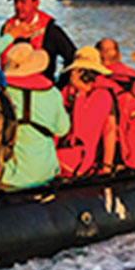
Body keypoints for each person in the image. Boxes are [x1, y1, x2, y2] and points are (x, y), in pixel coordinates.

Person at [0, 43, 70, 189]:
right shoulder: (53, 93)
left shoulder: (2, 93)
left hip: (11, 174)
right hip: (45, 171)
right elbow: (62, 130)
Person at [55, 48, 118, 178]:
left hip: (78, 161)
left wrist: (81, 94)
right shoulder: (67, 91)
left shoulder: (102, 94)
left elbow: (81, 129)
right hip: (68, 158)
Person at [0, 0, 76, 83]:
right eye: (15, 1)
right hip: (11, 88)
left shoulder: (51, 30)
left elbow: (72, 58)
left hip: (43, 88)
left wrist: (61, 85)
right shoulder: (7, 29)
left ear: (36, 3)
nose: (18, 6)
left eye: (23, 2)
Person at [96, 38, 135, 170]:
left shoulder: (100, 82)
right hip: (134, 150)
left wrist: (107, 165)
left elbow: (109, 127)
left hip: (109, 152)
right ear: (120, 56)